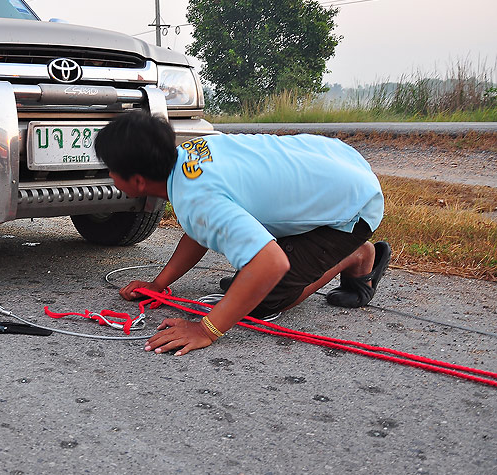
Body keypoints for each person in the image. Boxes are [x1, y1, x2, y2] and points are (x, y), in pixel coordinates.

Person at [94, 111, 390, 356]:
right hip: (340, 163)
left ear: (138, 180)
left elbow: (271, 264)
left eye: (111, 170)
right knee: (244, 287)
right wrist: (159, 283)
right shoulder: (187, 155)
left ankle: (356, 255)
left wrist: (206, 329)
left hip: (353, 208)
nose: (109, 175)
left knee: (262, 300)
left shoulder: (196, 199)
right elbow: (199, 231)